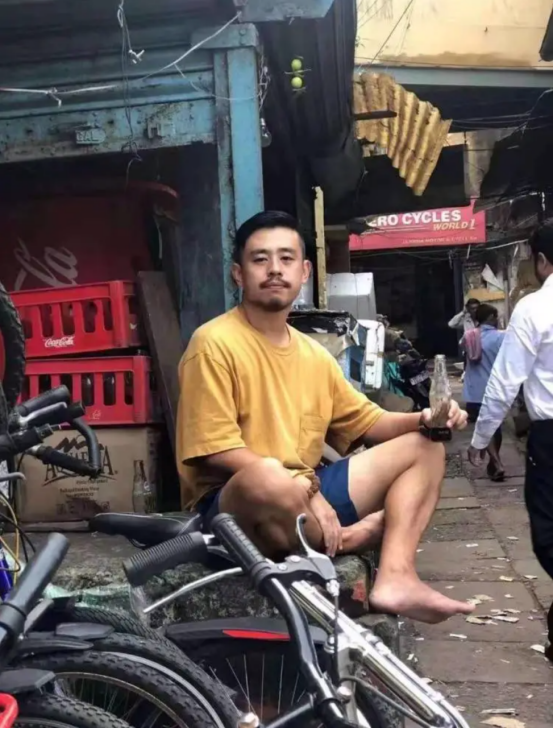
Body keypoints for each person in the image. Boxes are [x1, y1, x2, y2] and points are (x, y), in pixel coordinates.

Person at [177, 211, 472, 625]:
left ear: (304, 272)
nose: (274, 269)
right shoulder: (213, 343)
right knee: (266, 475)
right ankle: (348, 540)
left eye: (286, 258)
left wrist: (426, 419)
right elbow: (217, 450)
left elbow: (370, 424)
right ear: (238, 274)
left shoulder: (313, 354)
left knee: (426, 447)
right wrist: (306, 489)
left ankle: (396, 576)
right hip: (235, 509)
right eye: (260, 259)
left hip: (305, 501)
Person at [469, 220, 553, 659]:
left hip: (550, 438)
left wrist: (481, 437)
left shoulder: (535, 309)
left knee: (548, 533)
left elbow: (505, 382)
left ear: (542, 261)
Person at [463, 304, 505, 481]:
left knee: (485, 426)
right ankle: (496, 463)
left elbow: (463, 349)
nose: (498, 320)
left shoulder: (469, 335)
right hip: (494, 389)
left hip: (474, 390)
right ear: (490, 318)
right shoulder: (500, 337)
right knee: (495, 428)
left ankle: (494, 464)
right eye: (496, 316)